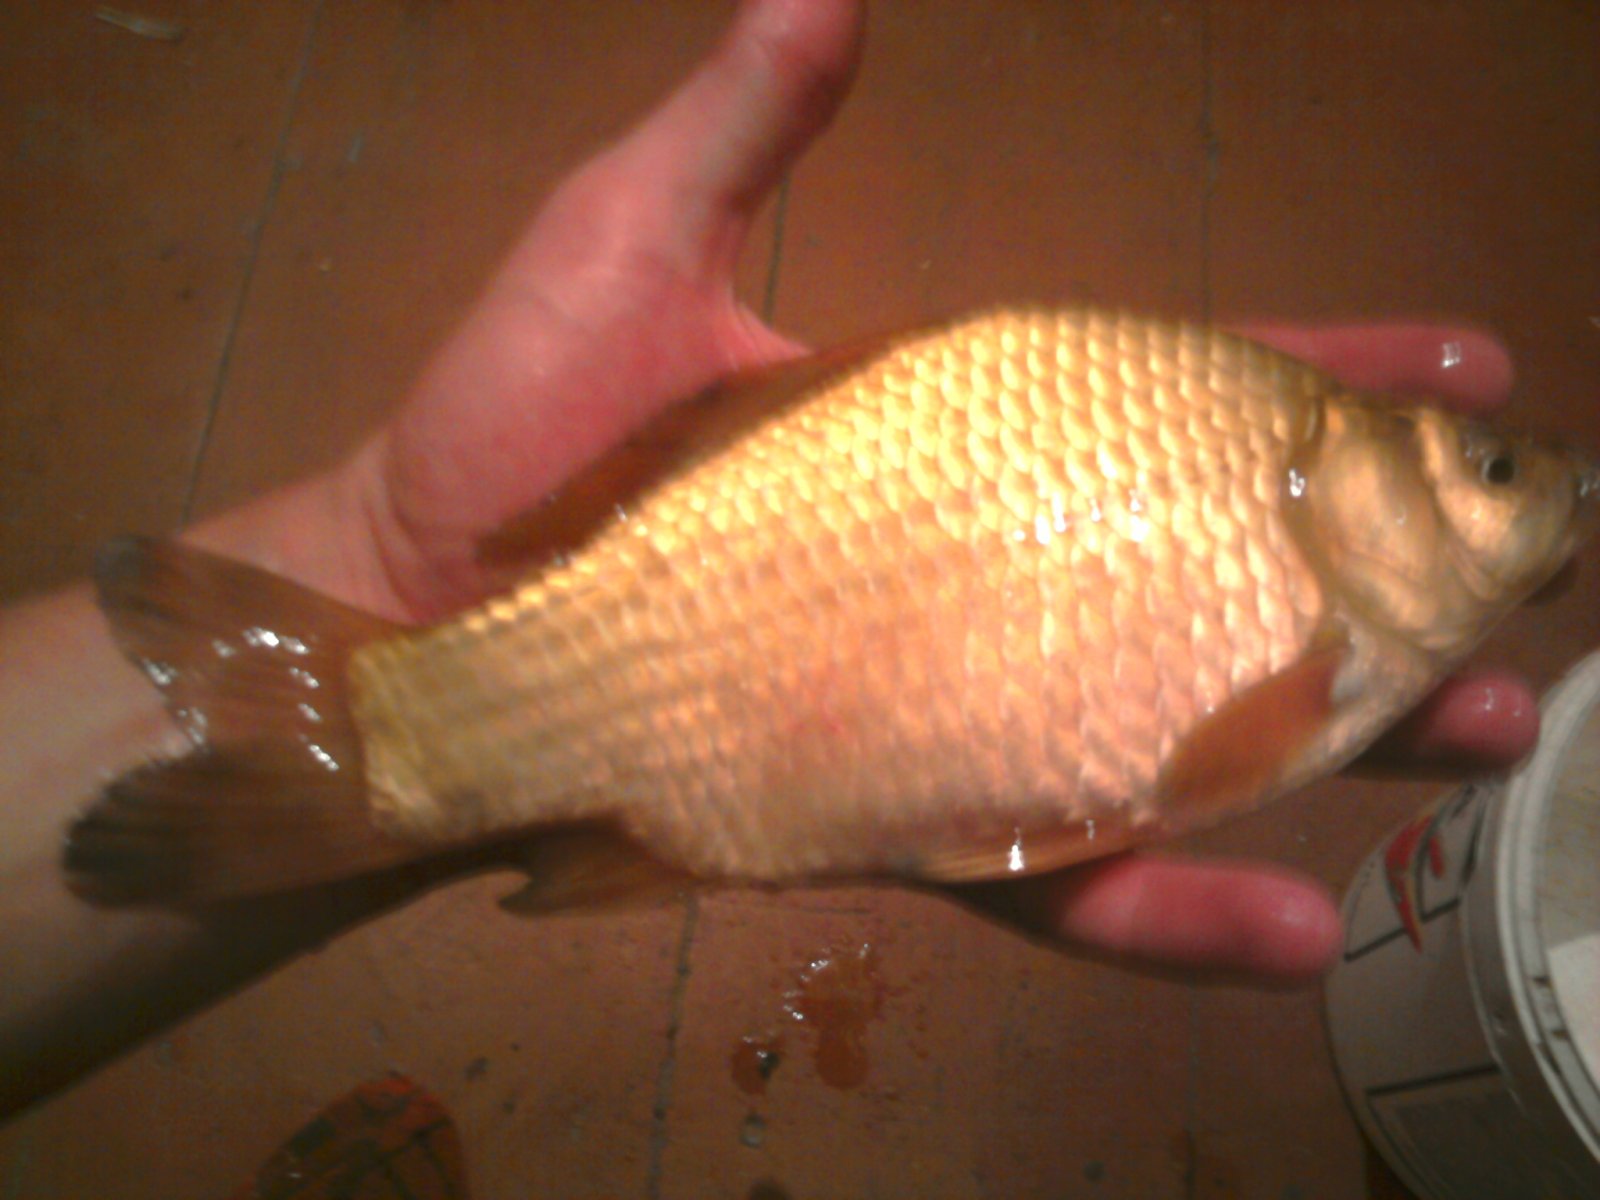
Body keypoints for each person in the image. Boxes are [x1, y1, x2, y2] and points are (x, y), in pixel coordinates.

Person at [0, 0, 1538, 1117]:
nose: (1522, 497)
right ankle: (401, 730)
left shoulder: (1292, 534)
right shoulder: (1308, 598)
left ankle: (405, 734)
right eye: (1489, 473)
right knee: (408, 734)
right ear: (1337, 474)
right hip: (694, 601)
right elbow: (1205, 760)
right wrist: (387, 573)